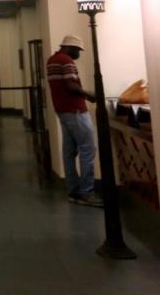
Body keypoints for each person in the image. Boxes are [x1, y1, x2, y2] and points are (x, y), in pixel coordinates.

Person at [46, 35, 103, 208]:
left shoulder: (52, 60)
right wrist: (89, 94)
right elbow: (71, 86)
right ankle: (87, 192)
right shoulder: (66, 60)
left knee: (69, 151)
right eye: (77, 50)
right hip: (75, 110)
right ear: (70, 48)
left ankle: (73, 190)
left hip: (62, 110)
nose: (78, 53)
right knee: (88, 149)